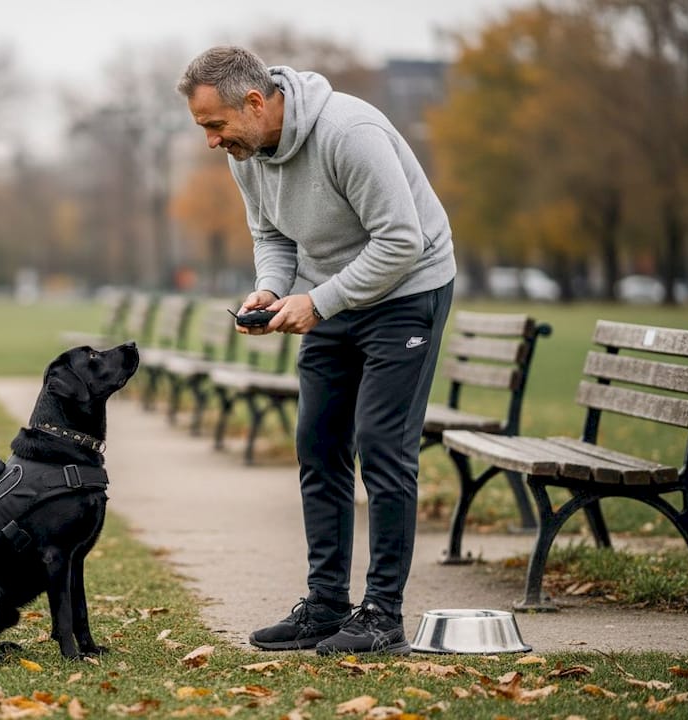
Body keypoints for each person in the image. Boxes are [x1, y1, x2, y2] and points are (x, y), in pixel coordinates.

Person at [176, 46, 456, 655]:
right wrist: (273, 288)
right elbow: (271, 232)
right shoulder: (245, 151)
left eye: (214, 125)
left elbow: (402, 242)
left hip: (408, 290)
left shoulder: (348, 132)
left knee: (383, 446)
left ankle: (382, 616)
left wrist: (318, 301)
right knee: (319, 444)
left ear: (254, 102)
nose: (210, 141)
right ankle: (326, 608)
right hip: (332, 293)